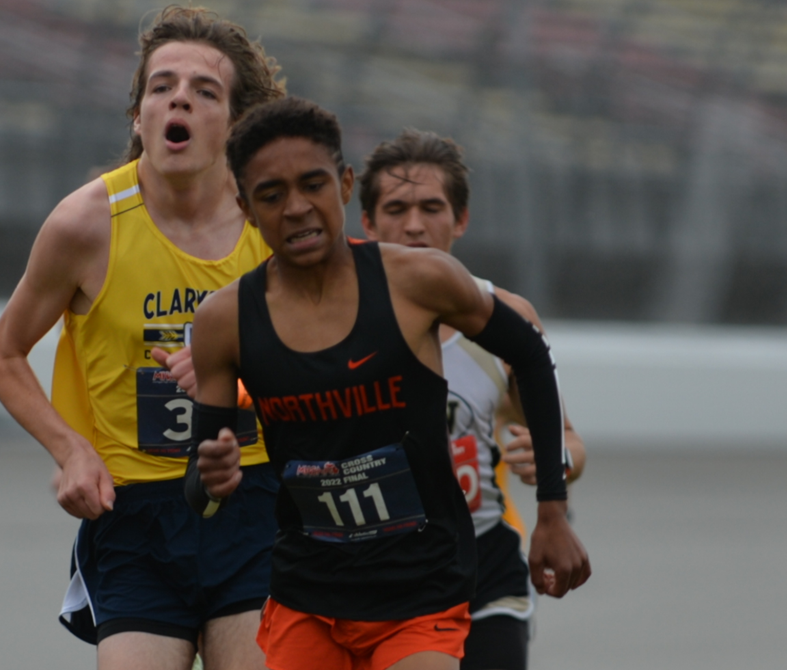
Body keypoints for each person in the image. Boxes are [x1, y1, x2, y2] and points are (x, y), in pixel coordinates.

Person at [185, 97, 590, 670]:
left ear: (345, 185)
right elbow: (198, 489)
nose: (297, 208)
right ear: (245, 208)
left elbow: (527, 348)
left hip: (420, 594)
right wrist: (210, 479)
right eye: (272, 195)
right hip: (307, 598)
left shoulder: (419, 281)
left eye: (314, 184)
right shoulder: (224, 322)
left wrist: (551, 509)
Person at [0, 6, 285, 670]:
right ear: (138, 115)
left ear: (236, 125)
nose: (178, 97)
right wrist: (71, 451)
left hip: (256, 500)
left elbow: (327, 358)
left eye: (204, 91)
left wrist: (229, 381)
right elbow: (1, 352)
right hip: (135, 513)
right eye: (161, 85)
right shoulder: (86, 224)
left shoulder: (274, 224)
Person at [357, 129, 586, 670]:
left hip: (483, 566)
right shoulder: (335, 320)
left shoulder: (506, 322)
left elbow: (570, 444)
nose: (414, 224)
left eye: (432, 207)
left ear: (460, 219)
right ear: (366, 223)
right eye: (396, 208)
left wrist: (552, 461)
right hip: (370, 571)